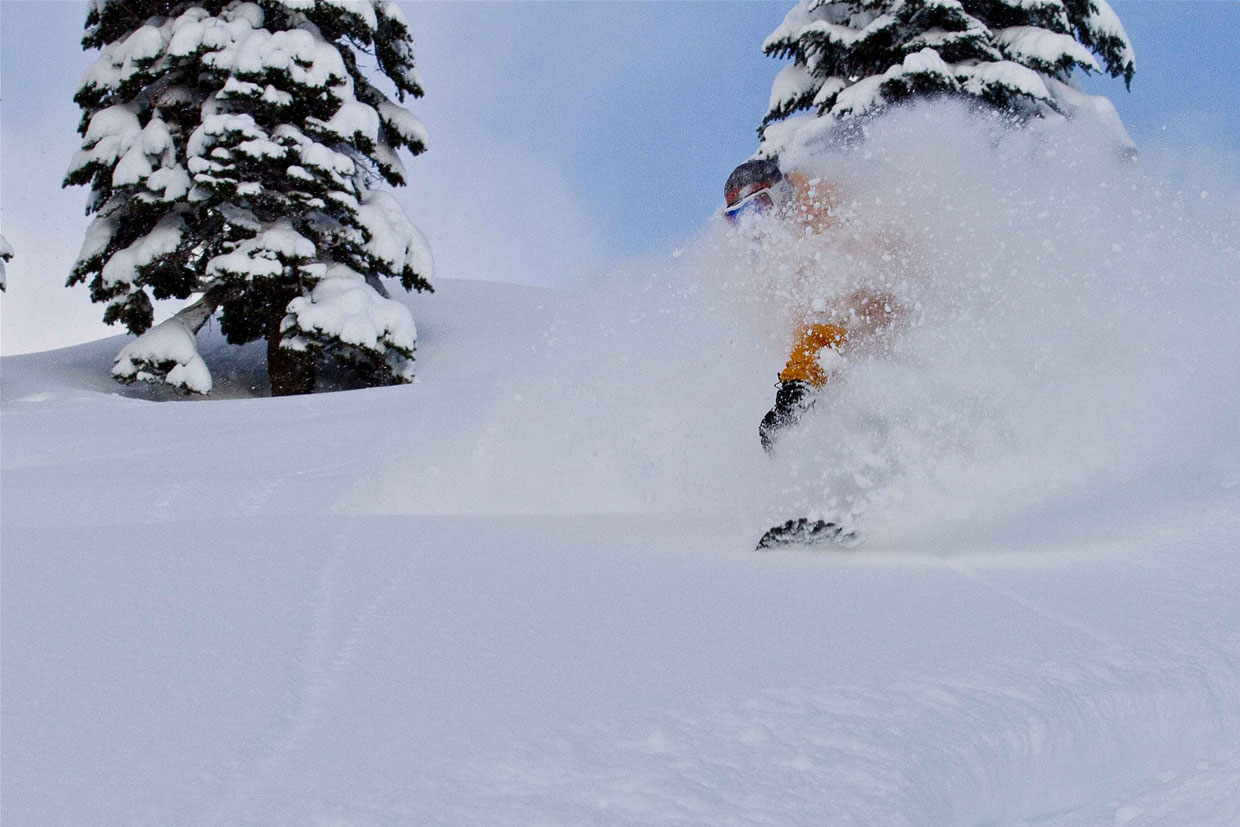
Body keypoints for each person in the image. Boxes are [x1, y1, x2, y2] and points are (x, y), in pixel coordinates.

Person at [723, 157, 901, 452]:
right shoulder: (791, 248)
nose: (754, 226)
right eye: (738, 218)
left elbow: (826, 317)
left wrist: (797, 387)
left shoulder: (826, 225)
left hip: (898, 344)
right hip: (864, 358)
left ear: (780, 194)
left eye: (756, 208)